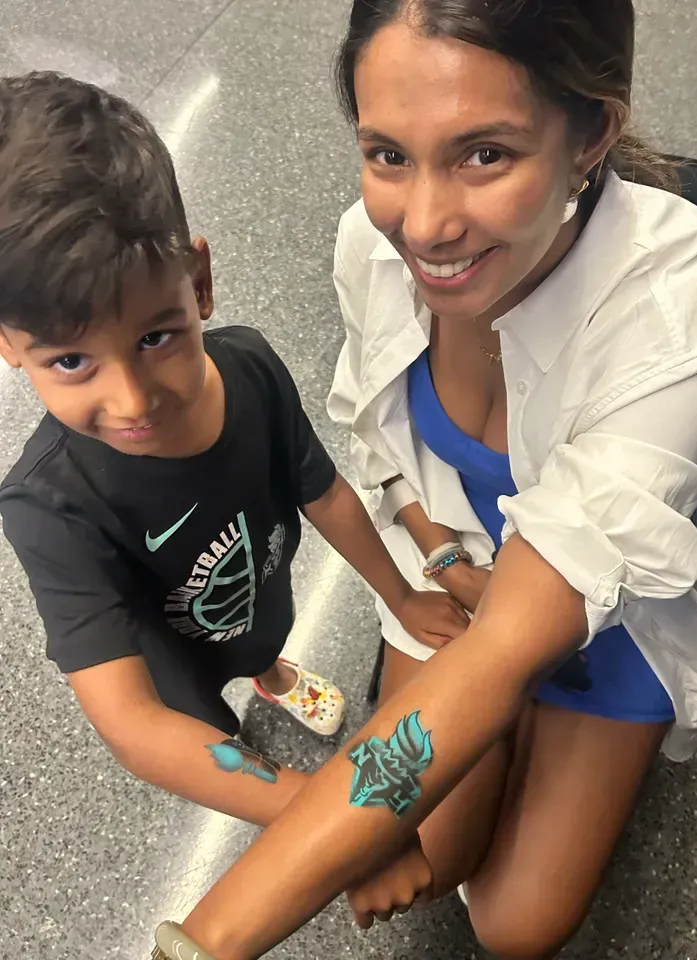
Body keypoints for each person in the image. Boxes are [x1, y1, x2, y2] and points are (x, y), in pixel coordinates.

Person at [162, 1, 697, 959]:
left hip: (616, 610)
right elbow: (379, 429)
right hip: (453, 579)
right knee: (434, 846)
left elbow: (510, 643)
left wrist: (202, 943)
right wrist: (431, 547)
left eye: (484, 155)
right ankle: (484, 732)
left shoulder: (683, 311)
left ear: (592, 134)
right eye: (388, 155)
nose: (421, 224)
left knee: (516, 925)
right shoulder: (369, 243)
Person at [0, 73, 469, 831]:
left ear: (200, 282)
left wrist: (402, 594)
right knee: (211, 726)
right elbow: (139, 730)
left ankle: (274, 672)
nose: (132, 400)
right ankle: (250, 694)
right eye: (70, 362)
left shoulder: (248, 365)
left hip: (257, 591)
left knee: (262, 642)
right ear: (10, 347)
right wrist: (324, 819)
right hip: (179, 672)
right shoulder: (45, 507)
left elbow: (326, 495)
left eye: (155, 338)